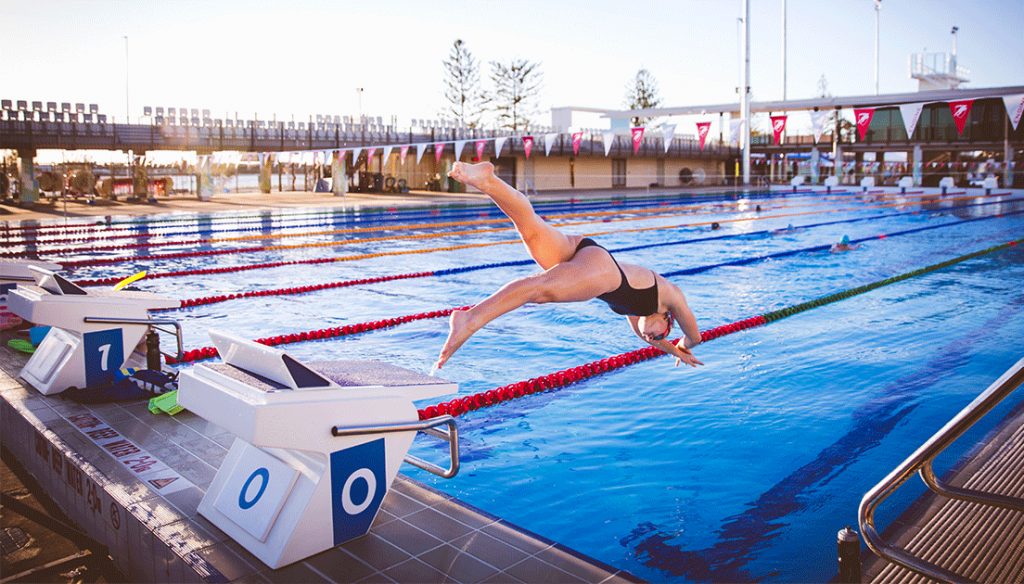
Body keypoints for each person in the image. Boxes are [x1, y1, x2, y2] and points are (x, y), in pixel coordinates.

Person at [435, 162, 704, 370]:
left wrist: (673, 351)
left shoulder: (637, 322)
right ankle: (469, 319)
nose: (653, 339)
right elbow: (695, 337)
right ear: (667, 321)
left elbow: (651, 340)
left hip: (585, 253)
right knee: (539, 290)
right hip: (601, 269)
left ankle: (487, 180)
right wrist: (683, 344)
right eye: (659, 337)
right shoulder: (671, 296)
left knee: (529, 228)